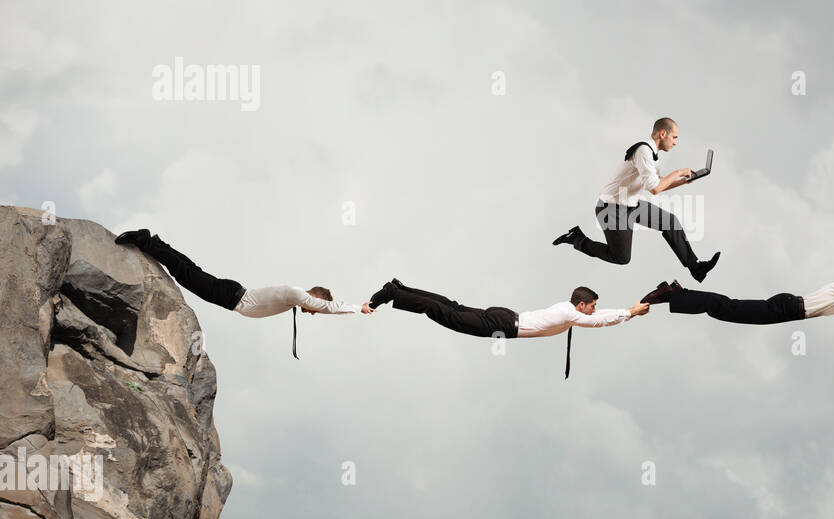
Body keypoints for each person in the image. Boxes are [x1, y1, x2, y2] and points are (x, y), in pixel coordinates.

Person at [113, 228, 371, 358]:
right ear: (314, 297)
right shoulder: (297, 294)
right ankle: (145, 241)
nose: (314, 313)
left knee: (189, 270)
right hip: (231, 296)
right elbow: (328, 307)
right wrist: (358, 307)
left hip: (232, 294)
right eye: (315, 308)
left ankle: (155, 241)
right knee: (185, 273)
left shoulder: (295, 298)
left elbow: (322, 307)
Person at [641, 257, 834, 356]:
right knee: (727, 309)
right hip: (787, 309)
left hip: (789, 309)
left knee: (727, 308)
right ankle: (671, 294)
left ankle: (678, 293)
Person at [551, 116, 721, 283]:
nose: (675, 142)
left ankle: (696, 268)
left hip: (632, 204)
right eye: (674, 137)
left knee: (670, 221)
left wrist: (684, 181)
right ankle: (577, 239)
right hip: (611, 209)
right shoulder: (643, 151)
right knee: (621, 258)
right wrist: (678, 173)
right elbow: (655, 189)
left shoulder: (653, 154)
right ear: (662, 134)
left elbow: (659, 184)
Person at [368, 278, 648, 377]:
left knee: (451, 307)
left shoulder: (567, 311)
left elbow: (599, 317)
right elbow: (599, 321)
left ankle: (399, 288)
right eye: (592, 305)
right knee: (446, 314)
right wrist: (629, 313)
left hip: (503, 318)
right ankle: (394, 294)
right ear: (581, 305)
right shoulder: (569, 312)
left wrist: (629, 311)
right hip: (501, 324)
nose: (594, 310)